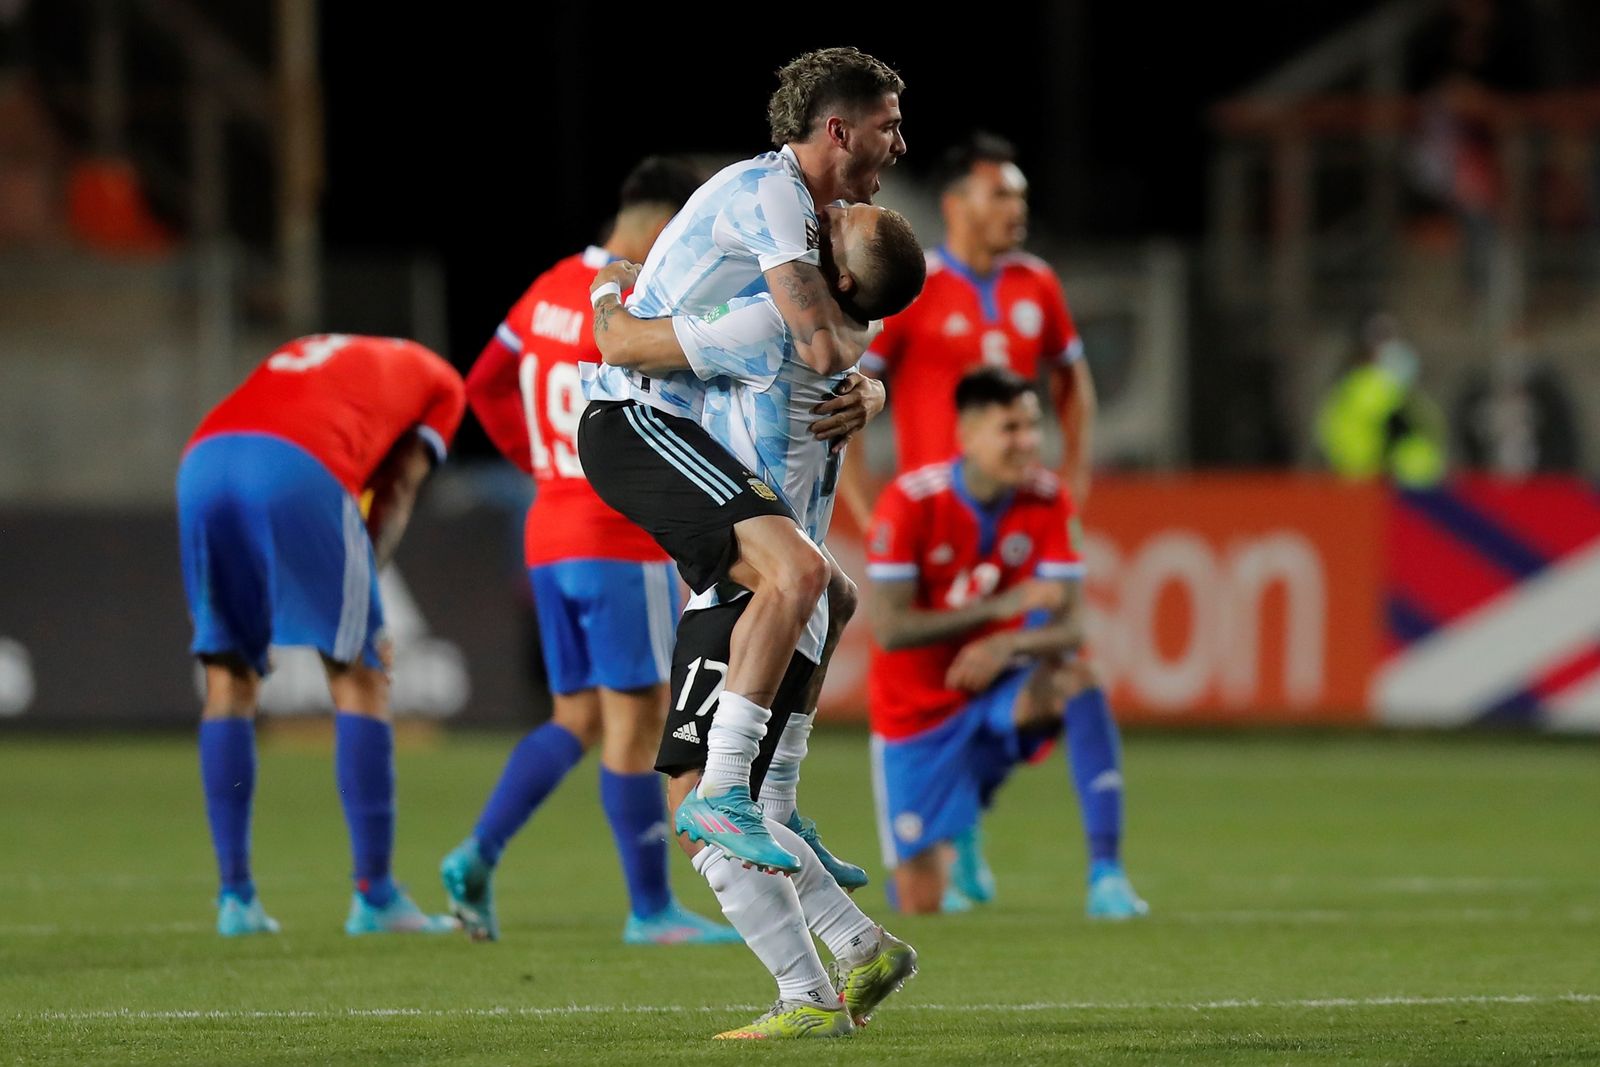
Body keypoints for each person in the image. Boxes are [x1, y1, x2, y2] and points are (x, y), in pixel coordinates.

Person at [588, 198, 924, 1040]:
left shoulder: (768, 327)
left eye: (844, 225)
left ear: (837, 277)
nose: (833, 212)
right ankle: (859, 944)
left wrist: (609, 285)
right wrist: (875, 391)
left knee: (698, 804)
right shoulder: (852, 343)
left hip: (751, 594)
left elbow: (624, 347)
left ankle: (807, 995)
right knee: (742, 809)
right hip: (797, 589)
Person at [577, 46, 905, 875]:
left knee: (830, 587)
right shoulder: (775, 200)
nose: (898, 145)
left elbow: (831, 337)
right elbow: (821, 338)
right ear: (839, 129)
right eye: (888, 126)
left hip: (691, 430)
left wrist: (867, 388)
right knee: (796, 578)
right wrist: (608, 292)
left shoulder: (793, 214)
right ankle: (731, 798)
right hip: (640, 415)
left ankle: (780, 808)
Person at [439, 158, 736, 945]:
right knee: (634, 725)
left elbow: (484, 382)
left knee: (573, 714)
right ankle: (650, 910)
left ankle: (477, 852)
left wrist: (539, 461)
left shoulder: (544, 289)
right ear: (663, 222)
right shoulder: (638, 298)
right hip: (616, 532)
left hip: (548, 531)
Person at [846, 132, 1140, 916]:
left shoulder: (1035, 284)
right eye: (1001, 193)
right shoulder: (912, 286)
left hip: (1015, 531)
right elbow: (850, 399)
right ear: (956, 203)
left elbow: (1073, 385)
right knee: (941, 689)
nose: (1017, 208)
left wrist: (1070, 483)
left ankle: (1105, 872)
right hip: (932, 539)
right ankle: (956, 831)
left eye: (1019, 194)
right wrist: (870, 511)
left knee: (1066, 665)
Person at [177, 333, 465, 936]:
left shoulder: (315, 348)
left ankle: (235, 900)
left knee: (228, 680)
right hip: (296, 466)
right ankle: (377, 896)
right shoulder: (440, 383)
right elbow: (398, 489)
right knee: (361, 676)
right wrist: (367, 592)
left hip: (202, 461)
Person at [865, 367, 1147, 919]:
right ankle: (956, 829)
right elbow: (890, 630)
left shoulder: (1047, 498)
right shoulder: (911, 502)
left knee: (1077, 678)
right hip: (917, 711)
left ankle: (1107, 875)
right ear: (967, 436)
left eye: (1033, 426)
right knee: (919, 903)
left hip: (999, 690)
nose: (1027, 442)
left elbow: (1073, 628)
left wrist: (1006, 647)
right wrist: (999, 612)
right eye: (1010, 429)